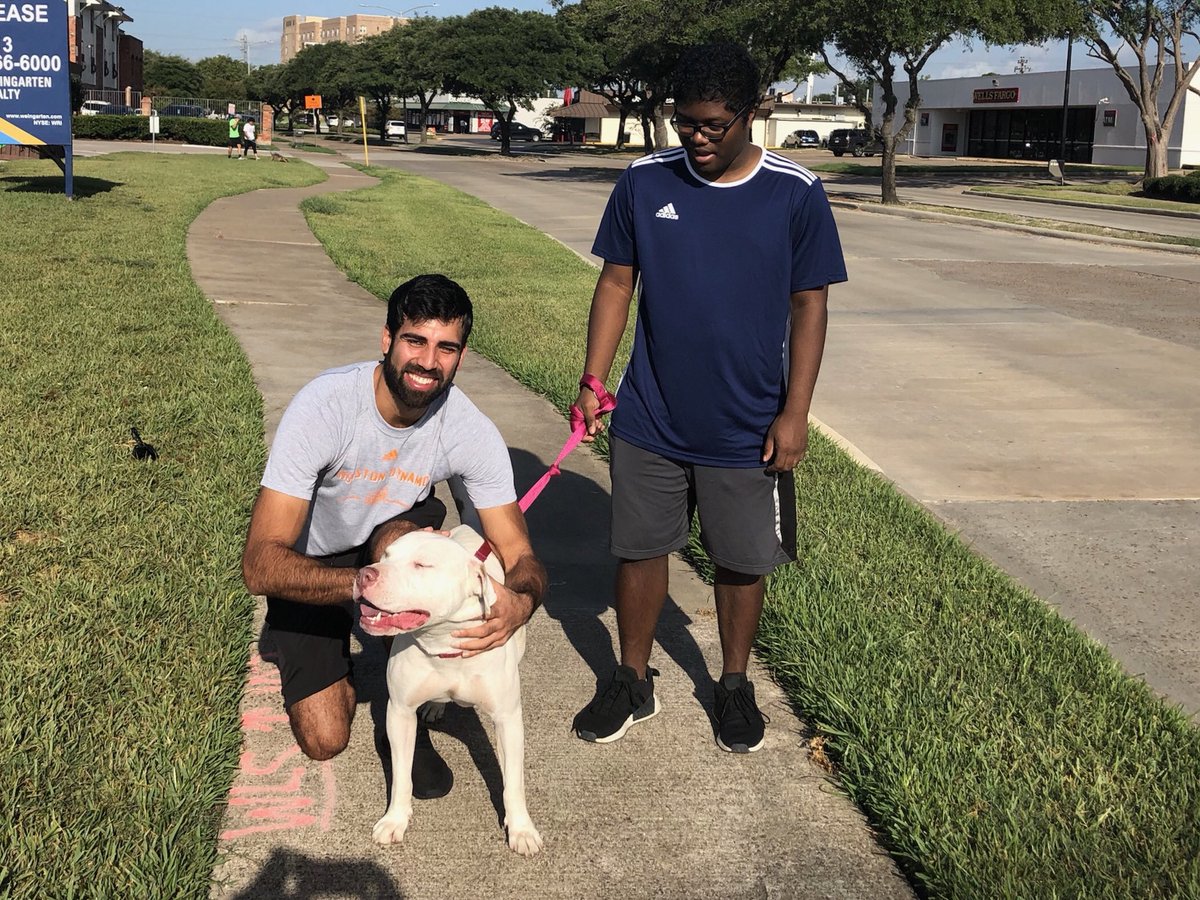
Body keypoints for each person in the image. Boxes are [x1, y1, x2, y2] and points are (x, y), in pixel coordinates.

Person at [571, 43, 847, 754]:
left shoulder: (796, 192)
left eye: (713, 125)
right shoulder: (642, 180)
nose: (695, 137)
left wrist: (795, 412)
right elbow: (614, 284)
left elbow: (809, 307)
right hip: (651, 415)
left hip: (747, 423)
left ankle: (732, 684)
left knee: (740, 559)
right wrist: (594, 379)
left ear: (751, 114)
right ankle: (632, 679)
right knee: (639, 550)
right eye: (683, 122)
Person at [242, 274, 547, 795]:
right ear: (387, 339)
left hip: (391, 541)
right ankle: (372, 644)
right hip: (312, 564)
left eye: (445, 348)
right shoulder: (326, 407)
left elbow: (519, 552)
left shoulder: (469, 429)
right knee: (324, 737)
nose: (429, 361)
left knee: (402, 537)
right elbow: (260, 564)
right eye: (415, 341)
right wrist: (366, 587)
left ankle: (404, 694)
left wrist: (522, 602)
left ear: (461, 356)